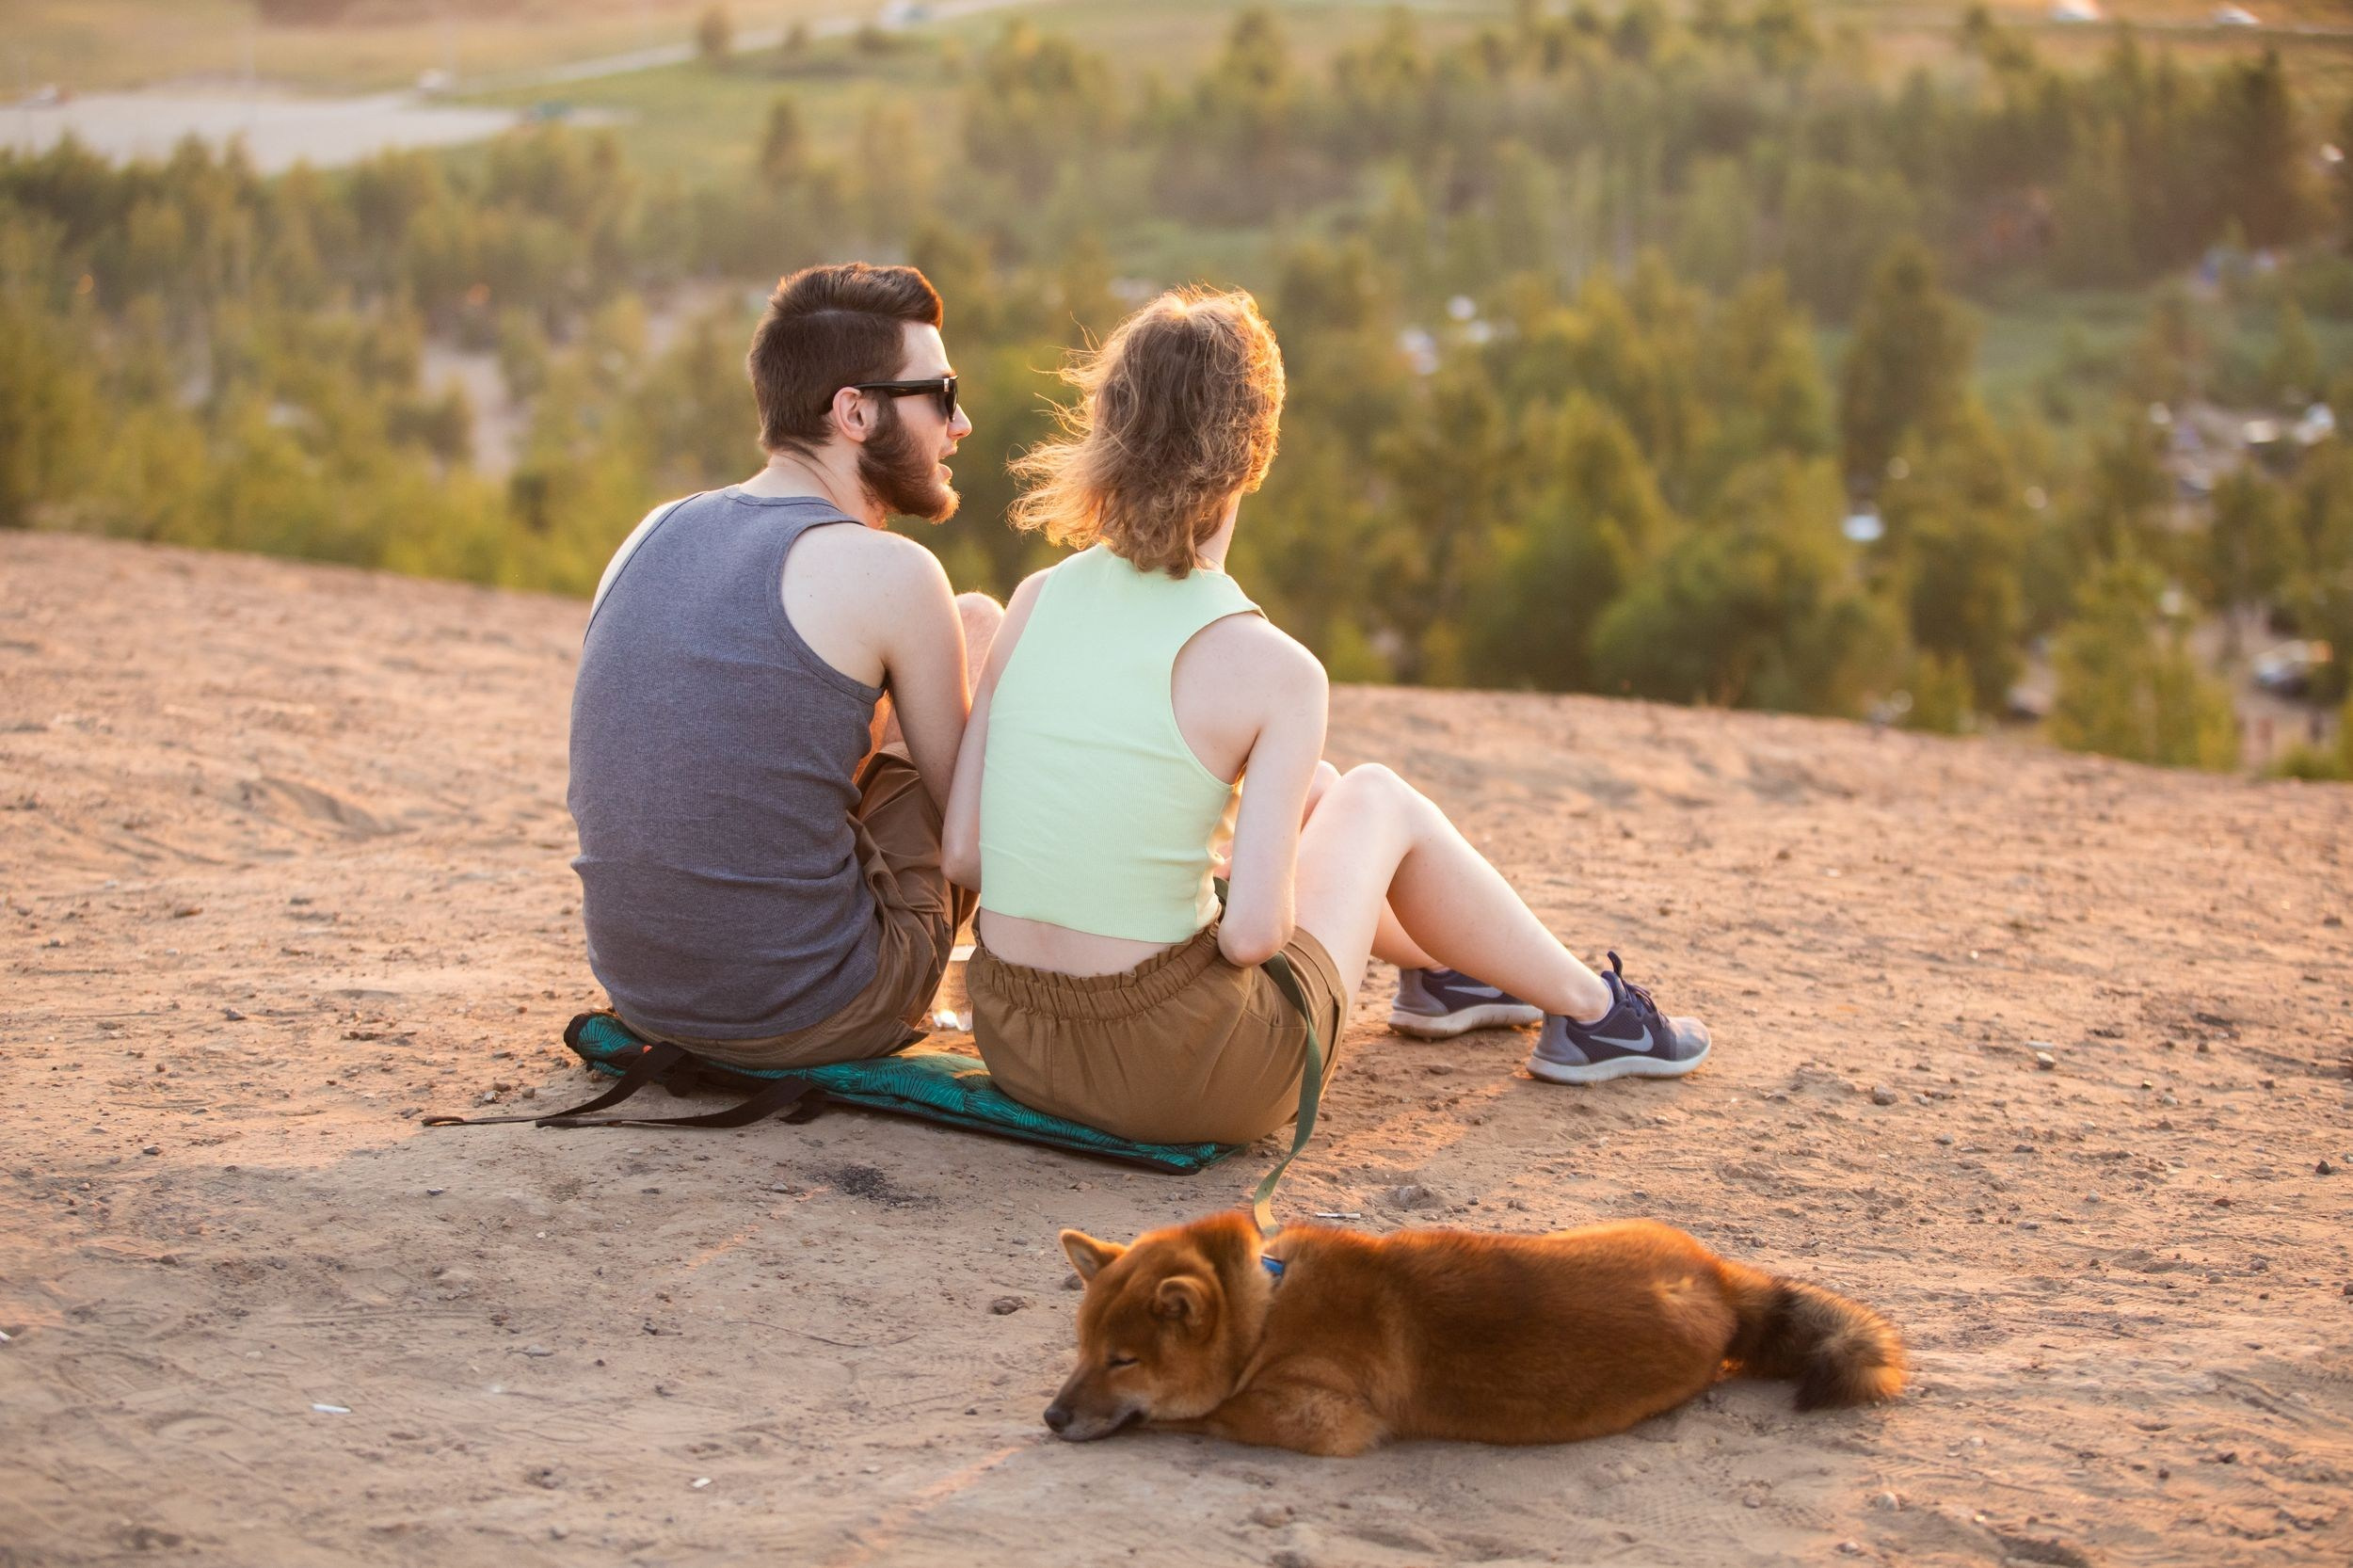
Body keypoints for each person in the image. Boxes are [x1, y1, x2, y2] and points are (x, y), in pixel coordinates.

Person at [939, 287, 1707, 1148]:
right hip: (1178, 1080)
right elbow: (1254, 937)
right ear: (1252, 454)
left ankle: (1450, 976)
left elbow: (964, 852)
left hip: (1018, 1038)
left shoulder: (1036, 601)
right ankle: (1595, 1011)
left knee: (1323, 795)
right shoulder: (1276, 671)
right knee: (1374, 798)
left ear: (1108, 427)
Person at [568, 263, 1001, 1069]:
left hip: (645, 997)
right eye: (941, 394)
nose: (962, 422)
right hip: (806, 1009)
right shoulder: (894, 574)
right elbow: (972, 837)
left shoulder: (653, 531)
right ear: (856, 412)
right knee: (980, 626)